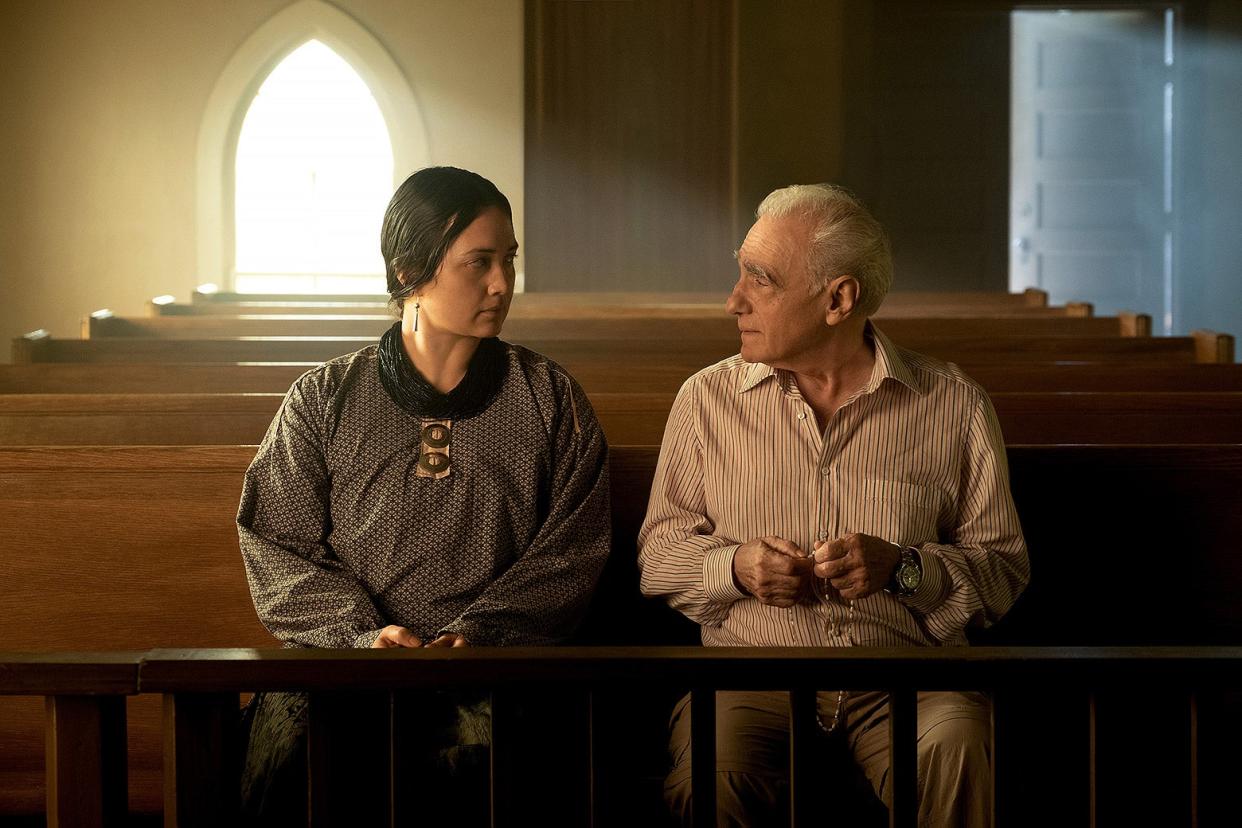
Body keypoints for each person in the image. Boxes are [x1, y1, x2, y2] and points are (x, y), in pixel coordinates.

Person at [637, 183, 1029, 827]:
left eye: (759, 281)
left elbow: (1003, 572)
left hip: (906, 678)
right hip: (747, 680)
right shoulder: (705, 400)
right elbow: (657, 559)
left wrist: (905, 570)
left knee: (961, 745)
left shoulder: (953, 402)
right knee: (714, 778)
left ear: (838, 299)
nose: (732, 300)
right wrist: (736, 568)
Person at [237, 166, 611, 824]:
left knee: (494, 766)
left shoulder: (550, 400)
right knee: (301, 756)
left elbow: (574, 549)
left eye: (509, 260)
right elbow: (275, 541)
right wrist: (364, 636)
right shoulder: (323, 399)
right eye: (479, 262)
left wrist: (480, 634)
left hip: (498, 670)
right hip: (347, 668)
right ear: (410, 267)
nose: (503, 283)